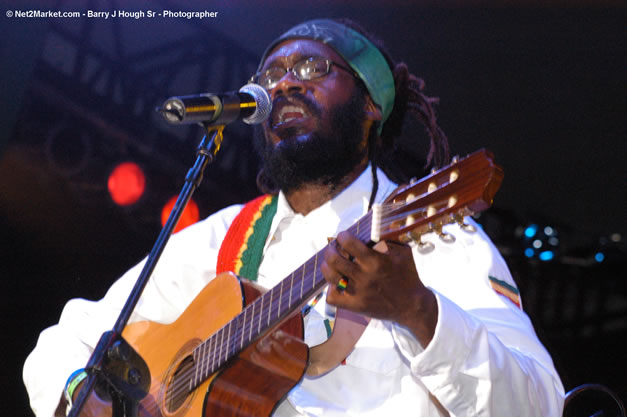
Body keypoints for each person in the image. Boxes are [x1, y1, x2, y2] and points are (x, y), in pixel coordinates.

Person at [23, 18, 565, 416]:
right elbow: (67, 340)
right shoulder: (221, 238)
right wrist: (83, 392)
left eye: (312, 67)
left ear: (371, 102)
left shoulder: (433, 240)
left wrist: (419, 311)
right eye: (272, 73)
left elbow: (540, 404)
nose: (285, 83)